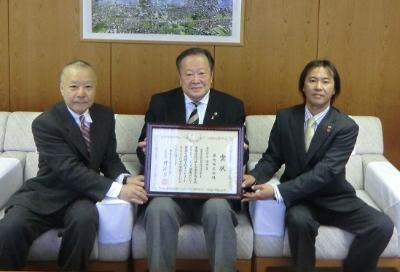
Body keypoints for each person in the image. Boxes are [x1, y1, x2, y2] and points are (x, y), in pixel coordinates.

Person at [242, 59, 394, 272]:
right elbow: (273, 157)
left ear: (334, 89)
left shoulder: (346, 126)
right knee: (299, 222)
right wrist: (254, 176)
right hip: (301, 200)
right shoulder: (286, 118)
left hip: (336, 197)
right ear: (303, 86)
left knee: (382, 225)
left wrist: (277, 191)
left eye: (325, 81)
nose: (318, 87)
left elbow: (326, 172)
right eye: (312, 80)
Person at [0, 60, 148, 271]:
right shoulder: (46, 123)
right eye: (73, 86)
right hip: (46, 193)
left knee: (85, 220)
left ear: (95, 89)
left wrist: (124, 178)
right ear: (61, 89)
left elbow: (109, 158)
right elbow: (69, 169)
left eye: (88, 87)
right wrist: (118, 190)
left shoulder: (104, 116)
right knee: (9, 228)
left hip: (81, 196)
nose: (81, 93)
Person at [137, 47, 249, 272]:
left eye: (201, 73)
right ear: (180, 77)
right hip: (171, 193)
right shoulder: (161, 102)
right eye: (189, 74)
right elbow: (141, 148)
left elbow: (242, 154)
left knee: (219, 210)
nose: (195, 80)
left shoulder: (231, 105)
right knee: (158, 210)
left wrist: (241, 151)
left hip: (213, 194)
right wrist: (148, 150)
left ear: (211, 76)